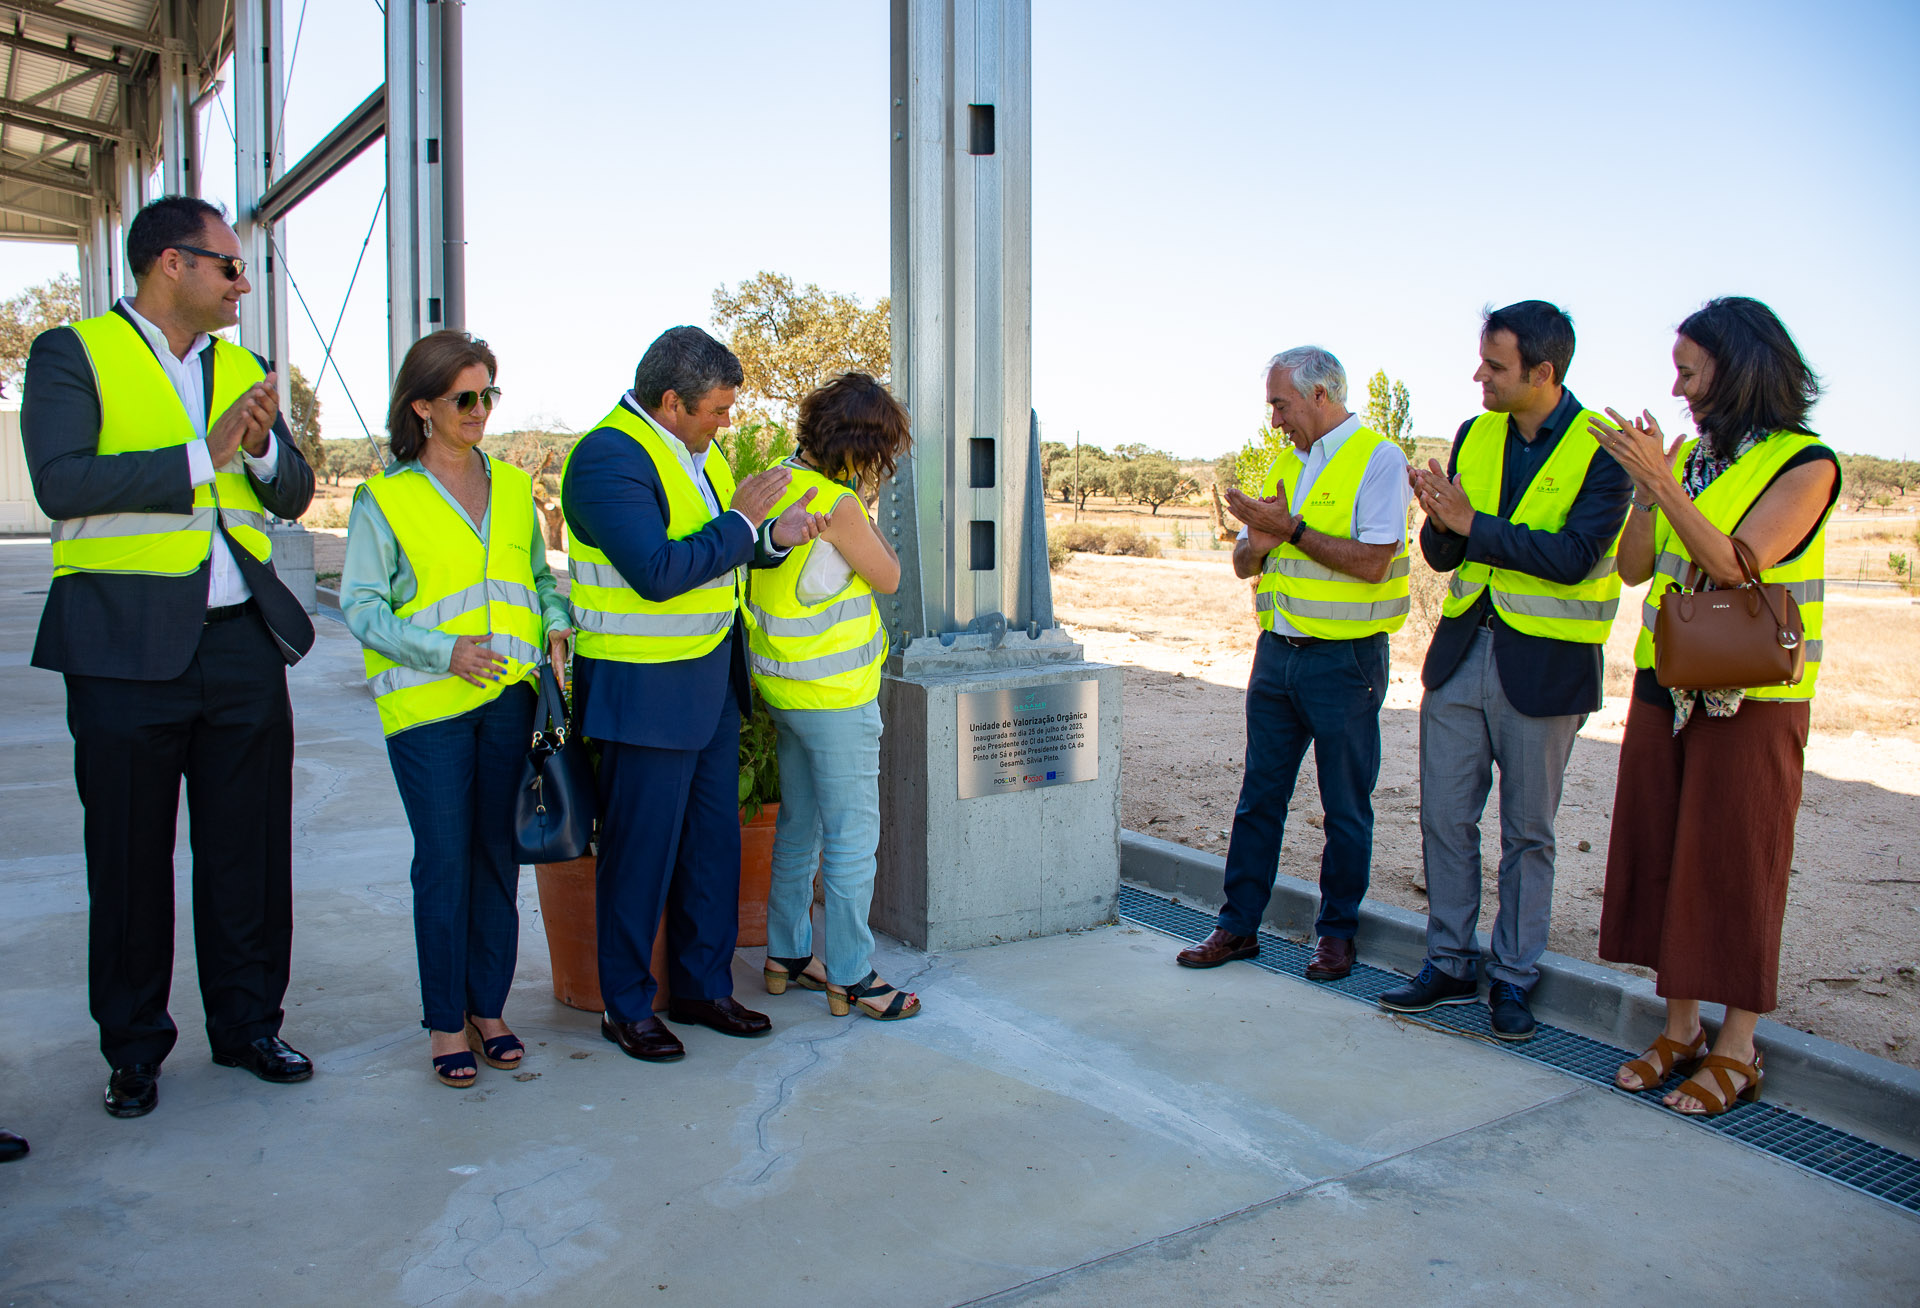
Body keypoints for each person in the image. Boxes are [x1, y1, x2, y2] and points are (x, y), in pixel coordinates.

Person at [21, 196, 316, 1119]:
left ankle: (247, 1026)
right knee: (129, 857)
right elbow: (61, 482)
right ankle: (136, 1048)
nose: (241, 284)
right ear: (169, 265)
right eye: (228, 266)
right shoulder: (74, 356)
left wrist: (262, 449)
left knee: (250, 853)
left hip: (238, 644)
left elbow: (295, 492)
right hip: (120, 646)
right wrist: (207, 448)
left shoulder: (244, 369)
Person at [1591, 297, 1838, 1115]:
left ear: (1739, 369)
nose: (1677, 386)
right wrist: (1643, 490)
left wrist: (1666, 481)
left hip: (1755, 697)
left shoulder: (1808, 464)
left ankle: (1739, 1046)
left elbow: (1738, 565)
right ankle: (1682, 1027)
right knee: (1668, 855)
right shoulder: (1691, 456)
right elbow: (1633, 568)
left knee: (1737, 864)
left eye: (1689, 370)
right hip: (1668, 681)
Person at [561, 327, 826, 1062]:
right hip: (645, 691)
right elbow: (656, 568)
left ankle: (703, 987)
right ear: (671, 402)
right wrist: (742, 522)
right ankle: (626, 1006)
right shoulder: (607, 456)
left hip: (708, 681)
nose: (726, 423)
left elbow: (716, 550)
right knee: (639, 855)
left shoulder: (688, 452)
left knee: (710, 848)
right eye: (717, 409)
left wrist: (771, 537)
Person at [1378, 302, 1631, 1040]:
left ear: (1542, 373)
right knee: (1444, 818)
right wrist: (1440, 521)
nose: (1478, 375)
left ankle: (1514, 979)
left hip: (1546, 669)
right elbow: (1446, 552)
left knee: (1528, 832)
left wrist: (1471, 525)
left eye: (1494, 365)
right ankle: (1450, 962)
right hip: (1460, 654)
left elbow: (1575, 557)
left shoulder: (1603, 450)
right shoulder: (1474, 434)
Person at [341, 331, 572, 1087]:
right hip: (428, 709)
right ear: (423, 408)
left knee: (495, 859)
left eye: (488, 396)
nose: (479, 411)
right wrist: (443, 653)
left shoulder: (511, 487)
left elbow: (539, 579)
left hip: (507, 697)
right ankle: (445, 1021)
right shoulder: (387, 499)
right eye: (463, 399)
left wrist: (555, 619)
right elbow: (362, 608)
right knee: (442, 865)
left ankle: (488, 1006)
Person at [1177, 347, 1410, 979]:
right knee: (1259, 799)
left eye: (1281, 404)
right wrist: (1257, 541)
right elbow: (1245, 563)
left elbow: (1373, 563)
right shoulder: (1286, 462)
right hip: (1276, 657)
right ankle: (1236, 927)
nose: (1275, 420)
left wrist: (1293, 530)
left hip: (1346, 664)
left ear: (1321, 396)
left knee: (1345, 805)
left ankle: (1336, 934)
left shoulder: (1380, 460)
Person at [751, 373, 920, 1020]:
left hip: (783, 690)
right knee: (852, 837)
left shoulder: (770, 484)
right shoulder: (838, 504)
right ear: (860, 447)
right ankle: (851, 974)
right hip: (836, 699)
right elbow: (889, 575)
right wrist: (856, 502)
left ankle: (786, 954)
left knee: (799, 826)